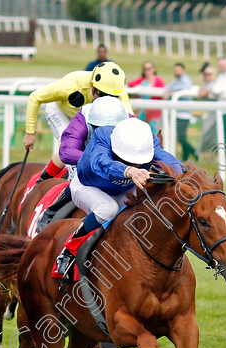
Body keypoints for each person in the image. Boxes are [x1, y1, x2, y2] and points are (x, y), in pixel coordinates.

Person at [55, 118, 183, 281]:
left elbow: (171, 162)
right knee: (108, 209)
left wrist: (183, 174)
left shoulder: (147, 141)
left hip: (122, 189)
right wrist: (129, 171)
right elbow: (101, 163)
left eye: (138, 162)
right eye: (129, 160)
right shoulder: (102, 138)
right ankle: (68, 253)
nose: (136, 165)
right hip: (88, 186)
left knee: (152, 200)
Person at [24, 62, 133, 183]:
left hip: (84, 119)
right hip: (60, 112)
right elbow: (35, 97)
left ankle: (46, 177)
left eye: (112, 97)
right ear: (92, 86)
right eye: (102, 96)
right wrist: (30, 133)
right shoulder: (70, 85)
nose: (107, 101)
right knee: (70, 147)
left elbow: (130, 122)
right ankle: (45, 182)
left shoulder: (117, 91)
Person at [35, 96, 130, 232]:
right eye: (99, 128)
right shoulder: (84, 116)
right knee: (79, 178)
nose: (104, 133)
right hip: (86, 153)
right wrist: (93, 162)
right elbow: (66, 152)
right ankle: (50, 211)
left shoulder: (128, 119)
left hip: (110, 155)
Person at [163, 63, 196, 161]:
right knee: (181, 137)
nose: (176, 72)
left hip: (184, 113)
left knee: (182, 137)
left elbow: (185, 88)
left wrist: (171, 92)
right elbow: (169, 87)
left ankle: (194, 152)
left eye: (178, 70)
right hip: (178, 113)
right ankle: (186, 157)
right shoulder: (177, 81)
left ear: (183, 70)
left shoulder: (185, 80)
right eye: (175, 70)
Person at [127, 61, 165, 132]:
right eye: (145, 69)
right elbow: (130, 84)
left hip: (155, 113)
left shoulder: (158, 80)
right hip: (143, 113)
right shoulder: (142, 80)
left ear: (153, 69)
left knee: (155, 133)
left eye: (149, 69)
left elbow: (162, 94)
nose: (147, 71)